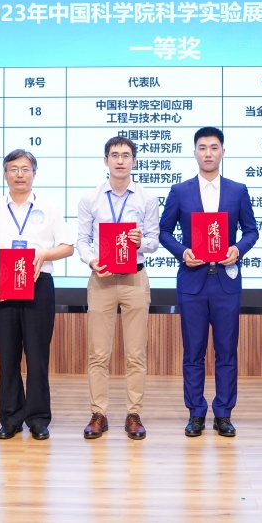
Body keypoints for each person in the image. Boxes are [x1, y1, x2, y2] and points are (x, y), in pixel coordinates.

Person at [159, 126, 259, 438]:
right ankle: (196, 413)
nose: (208, 153)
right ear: (194, 153)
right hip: (192, 282)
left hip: (226, 284)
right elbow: (164, 231)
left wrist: (237, 250)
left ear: (223, 152)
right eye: (202, 148)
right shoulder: (180, 191)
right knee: (193, 352)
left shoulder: (237, 190)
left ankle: (224, 413)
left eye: (214, 148)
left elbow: (251, 231)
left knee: (227, 351)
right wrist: (182, 252)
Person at [0, 149, 74, 441]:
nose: (20, 174)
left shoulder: (48, 208)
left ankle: (38, 418)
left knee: (37, 355)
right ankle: (11, 418)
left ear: (34, 173)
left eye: (25, 169)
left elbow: (68, 246)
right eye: (14, 169)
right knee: (8, 356)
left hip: (38, 286)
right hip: (3, 285)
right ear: (5, 174)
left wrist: (44, 255)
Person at [76, 135, 160, 441]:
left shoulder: (147, 199)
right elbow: (82, 241)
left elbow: (154, 240)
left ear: (134, 161)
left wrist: (141, 242)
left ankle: (133, 414)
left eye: (126, 155)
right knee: (98, 353)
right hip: (102, 279)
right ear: (106, 161)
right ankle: (98, 413)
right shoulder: (91, 199)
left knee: (136, 353)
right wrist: (91, 260)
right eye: (114, 155)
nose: (120, 160)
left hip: (135, 279)